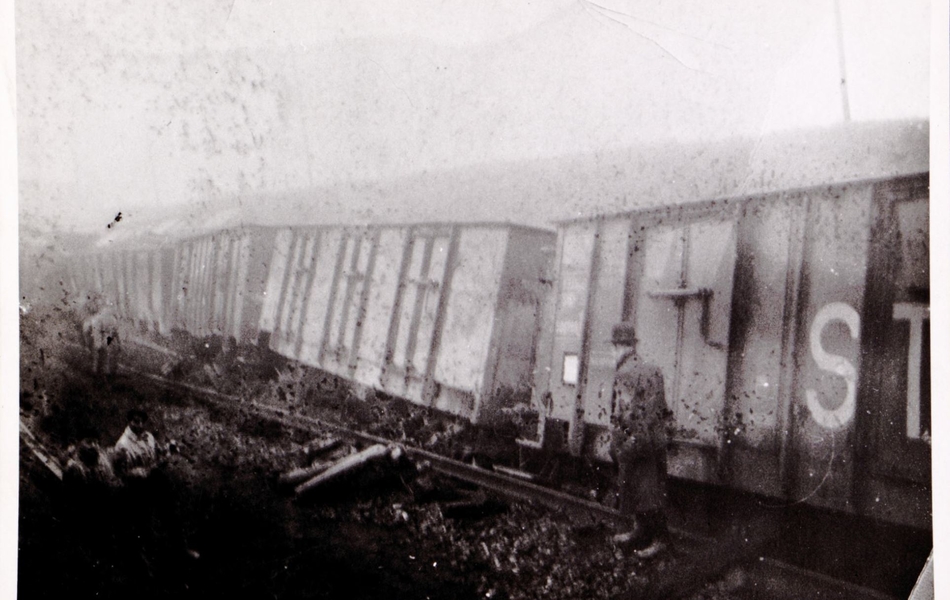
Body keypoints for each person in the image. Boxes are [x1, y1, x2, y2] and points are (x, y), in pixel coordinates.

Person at [608, 322, 672, 559]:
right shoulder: (651, 368)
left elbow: (628, 413)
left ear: (618, 347)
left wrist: (623, 445)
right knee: (649, 489)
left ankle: (660, 540)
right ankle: (642, 532)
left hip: (638, 441)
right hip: (654, 440)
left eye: (613, 347)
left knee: (643, 491)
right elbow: (660, 409)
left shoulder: (625, 372)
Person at [82, 299, 121, 378]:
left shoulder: (99, 317)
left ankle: (96, 369)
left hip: (103, 332)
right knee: (105, 350)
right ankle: (103, 370)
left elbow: (114, 331)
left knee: (98, 350)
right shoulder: (110, 318)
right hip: (106, 332)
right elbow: (115, 331)